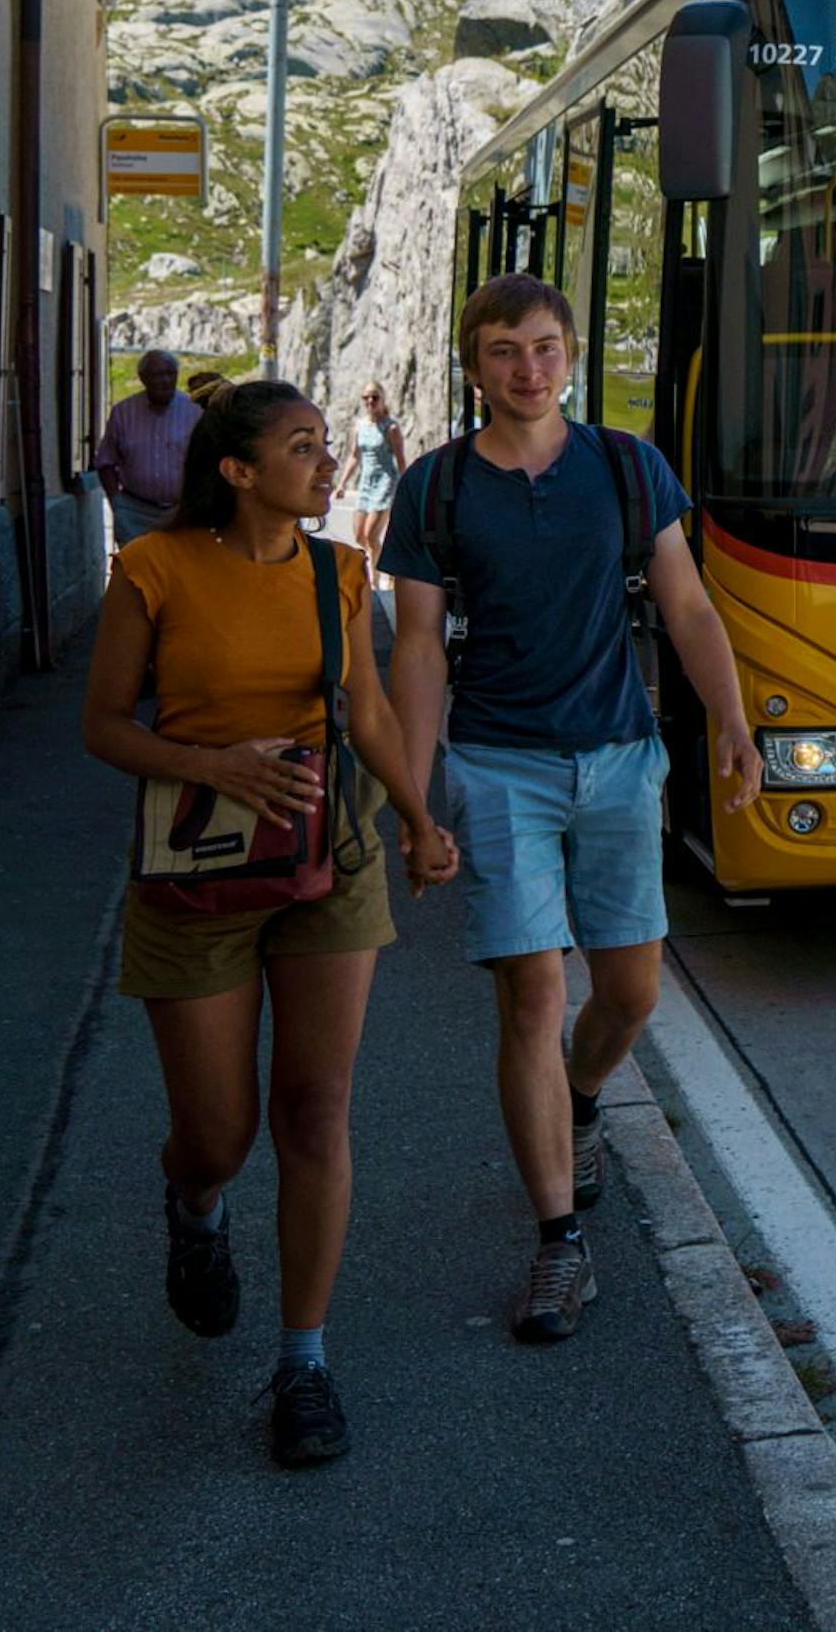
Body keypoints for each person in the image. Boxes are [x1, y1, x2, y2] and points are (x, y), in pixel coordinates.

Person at [78, 379, 458, 1469]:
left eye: (327, 446)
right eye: (302, 447)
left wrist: (422, 821)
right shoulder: (152, 571)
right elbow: (103, 724)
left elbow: (371, 711)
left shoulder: (338, 571)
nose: (325, 463)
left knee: (315, 1107)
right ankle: (195, 1205)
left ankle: (304, 1360)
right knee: (220, 1133)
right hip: (196, 869)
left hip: (327, 860)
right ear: (238, 469)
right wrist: (215, 764)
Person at [384, 275, 760, 1346]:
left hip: (619, 756)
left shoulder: (627, 466)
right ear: (473, 365)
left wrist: (733, 721)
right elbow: (415, 648)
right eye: (504, 350)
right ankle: (560, 1241)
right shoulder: (437, 487)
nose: (528, 368)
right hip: (499, 764)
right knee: (532, 992)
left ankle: (581, 1098)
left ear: (573, 353)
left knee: (630, 991)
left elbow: (686, 602)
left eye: (546, 347)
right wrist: (415, 802)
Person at [94, 349, 201, 551]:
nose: (165, 381)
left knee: (177, 574)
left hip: (181, 512)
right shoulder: (123, 413)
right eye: (157, 375)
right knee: (136, 575)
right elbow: (105, 461)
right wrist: (117, 504)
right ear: (143, 378)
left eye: (170, 374)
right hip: (135, 513)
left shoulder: (194, 411)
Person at [344, 384, 408, 553]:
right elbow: (354, 456)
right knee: (359, 536)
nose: (370, 401)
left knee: (371, 534)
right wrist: (342, 484)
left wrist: (406, 487)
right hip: (366, 482)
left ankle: (374, 578)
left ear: (383, 399)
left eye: (375, 397)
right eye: (366, 397)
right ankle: (379, 562)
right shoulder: (360, 426)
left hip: (385, 482)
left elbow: (400, 459)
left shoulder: (391, 428)